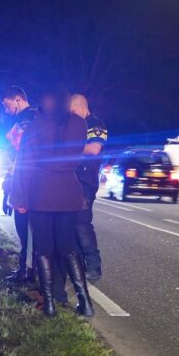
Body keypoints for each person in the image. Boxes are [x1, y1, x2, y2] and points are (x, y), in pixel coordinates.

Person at [10, 89, 95, 318]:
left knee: (44, 250)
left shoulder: (35, 128)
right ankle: (85, 303)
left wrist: (18, 198)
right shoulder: (78, 125)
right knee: (69, 249)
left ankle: (49, 305)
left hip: (42, 194)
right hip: (69, 192)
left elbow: (24, 165)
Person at [70, 94, 108, 282]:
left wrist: (69, 146)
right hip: (70, 180)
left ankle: (94, 266)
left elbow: (94, 149)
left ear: (83, 108)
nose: (71, 115)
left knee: (82, 223)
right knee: (70, 224)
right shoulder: (74, 125)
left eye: (74, 111)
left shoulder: (95, 124)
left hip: (85, 182)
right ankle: (78, 267)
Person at [0, 86, 36, 282]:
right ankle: (25, 269)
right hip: (22, 183)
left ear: (17, 100)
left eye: (7, 105)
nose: (6, 111)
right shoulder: (28, 119)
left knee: (27, 231)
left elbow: (21, 157)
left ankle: (29, 272)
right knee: (24, 231)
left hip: (27, 185)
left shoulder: (29, 119)